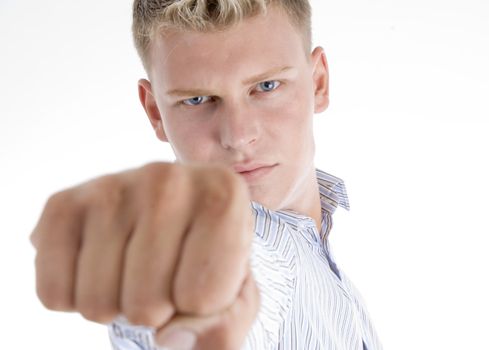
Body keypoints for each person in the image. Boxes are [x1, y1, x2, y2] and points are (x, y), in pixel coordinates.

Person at [31, 0, 383, 349]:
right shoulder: (246, 250)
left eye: (266, 87)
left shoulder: (317, 244)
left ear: (318, 82)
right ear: (155, 112)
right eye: (198, 100)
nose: (238, 136)